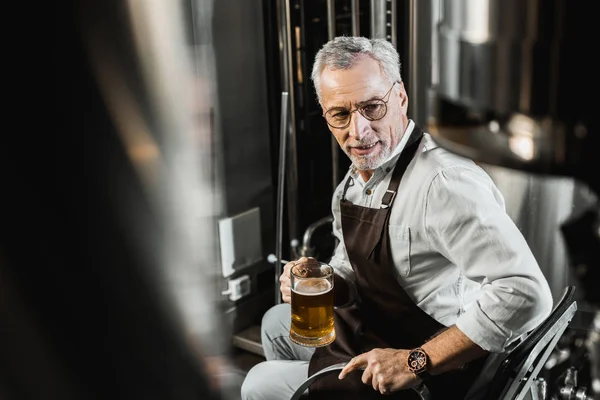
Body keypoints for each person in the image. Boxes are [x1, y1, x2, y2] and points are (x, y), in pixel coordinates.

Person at [241, 36, 553, 400]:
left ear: (400, 97)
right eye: (340, 114)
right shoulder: (360, 175)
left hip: (432, 363)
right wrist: (324, 279)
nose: (357, 132)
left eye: (372, 107)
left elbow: (526, 292)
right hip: (380, 328)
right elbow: (351, 270)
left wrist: (415, 361)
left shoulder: (443, 183)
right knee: (275, 323)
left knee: (256, 382)